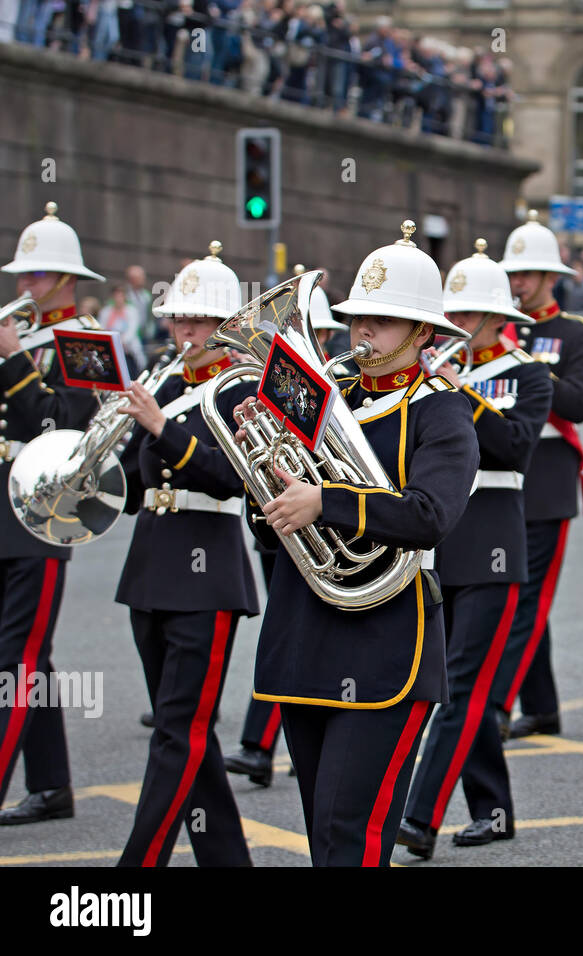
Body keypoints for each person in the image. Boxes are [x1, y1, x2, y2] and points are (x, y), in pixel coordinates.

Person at [236, 221, 479, 866]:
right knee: (323, 834)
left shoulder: (444, 411)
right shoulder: (325, 396)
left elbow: (430, 516)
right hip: (303, 633)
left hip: (388, 642)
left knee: (352, 836)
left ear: (423, 333)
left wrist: (327, 500)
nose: (363, 332)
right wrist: (267, 488)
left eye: (384, 320)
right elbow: (268, 521)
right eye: (358, 318)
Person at [397, 238, 550, 860]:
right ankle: (493, 809)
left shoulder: (528, 373)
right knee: (463, 686)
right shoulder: (427, 379)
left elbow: (515, 447)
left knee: (462, 684)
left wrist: (463, 395)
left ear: (496, 320)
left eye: (467, 317)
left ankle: (419, 816)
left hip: (493, 545)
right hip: (440, 543)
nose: (455, 327)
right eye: (449, 316)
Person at [114, 243, 259, 866]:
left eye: (197, 319)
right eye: (178, 318)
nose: (184, 330)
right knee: (187, 738)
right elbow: (128, 488)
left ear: (226, 326)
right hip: (150, 571)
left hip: (208, 576)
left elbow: (234, 478)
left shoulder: (244, 389)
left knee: (179, 734)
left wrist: (161, 429)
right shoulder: (164, 382)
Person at [223, 265, 350, 789]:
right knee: (287, 619)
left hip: (329, 525)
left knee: (317, 625)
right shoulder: (275, 385)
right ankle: (262, 741)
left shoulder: (338, 390)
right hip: (286, 522)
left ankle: (272, 739)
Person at [0, 203, 104, 826]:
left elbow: (62, 427)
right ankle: (52, 785)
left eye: (36, 276)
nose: (23, 287)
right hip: (0, 512)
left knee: (16, 658)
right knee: (29, 654)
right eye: (20, 276)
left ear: (67, 282)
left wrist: (14, 361)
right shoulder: (15, 335)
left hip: (40, 514)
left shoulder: (83, 343)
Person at [491, 210, 583, 741]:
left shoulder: (575, 333)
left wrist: (523, 363)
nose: (518, 284)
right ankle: (543, 706)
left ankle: (496, 704)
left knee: (526, 600)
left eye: (527, 275)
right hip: (494, 472)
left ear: (551, 278)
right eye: (512, 275)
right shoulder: (488, 326)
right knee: (511, 594)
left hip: (547, 476)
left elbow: (579, 404)